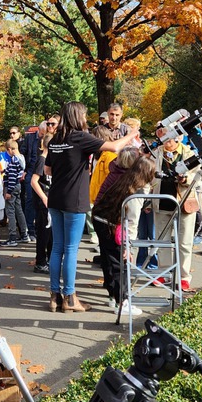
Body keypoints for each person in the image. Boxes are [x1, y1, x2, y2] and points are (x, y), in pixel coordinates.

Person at [45, 102, 137, 313]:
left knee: (57, 247)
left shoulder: (56, 139)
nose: (86, 118)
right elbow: (114, 147)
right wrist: (132, 134)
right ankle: (70, 298)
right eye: (84, 114)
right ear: (78, 116)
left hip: (55, 198)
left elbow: (47, 169)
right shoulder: (79, 137)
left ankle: (54, 296)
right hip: (74, 200)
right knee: (70, 249)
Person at [91, 151, 155, 317]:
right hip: (111, 224)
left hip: (100, 218)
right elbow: (132, 221)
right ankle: (122, 301)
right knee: (121, 262)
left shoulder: (120, 176)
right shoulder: (135, 189)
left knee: (108, 259)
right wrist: (129, 246)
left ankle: (113, 294)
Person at [152, 131, 202, 292]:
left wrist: (184, 178)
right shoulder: (156, 152)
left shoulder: (188, 153)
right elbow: (148, 175)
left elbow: (196, 176)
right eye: (164, 138)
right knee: (162, 240)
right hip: (161, 201)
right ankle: (164, 272)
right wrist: (146, 199)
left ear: (178, 138)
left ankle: (183, 276)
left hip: (184, 202)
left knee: (185, 242)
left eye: (170, 138)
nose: (167, 142)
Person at [30, 133, 53, 273]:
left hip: (50, 202)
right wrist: (44, 198)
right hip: (43, 203)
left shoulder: (50, 161)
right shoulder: (42, 160)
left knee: (51, 233)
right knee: (43, 233)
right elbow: (34, 181)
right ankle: (40, 262)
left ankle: (50, 259)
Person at [2, 139, 27, 245]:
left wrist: (8, 191)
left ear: (9, 149)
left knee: (10, 212)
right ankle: (24, 234)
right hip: (18, 186)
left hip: (12, 186)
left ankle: (12, 237)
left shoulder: (14, 160)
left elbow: (11, 176)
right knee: (19, 209)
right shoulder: (21, 158)